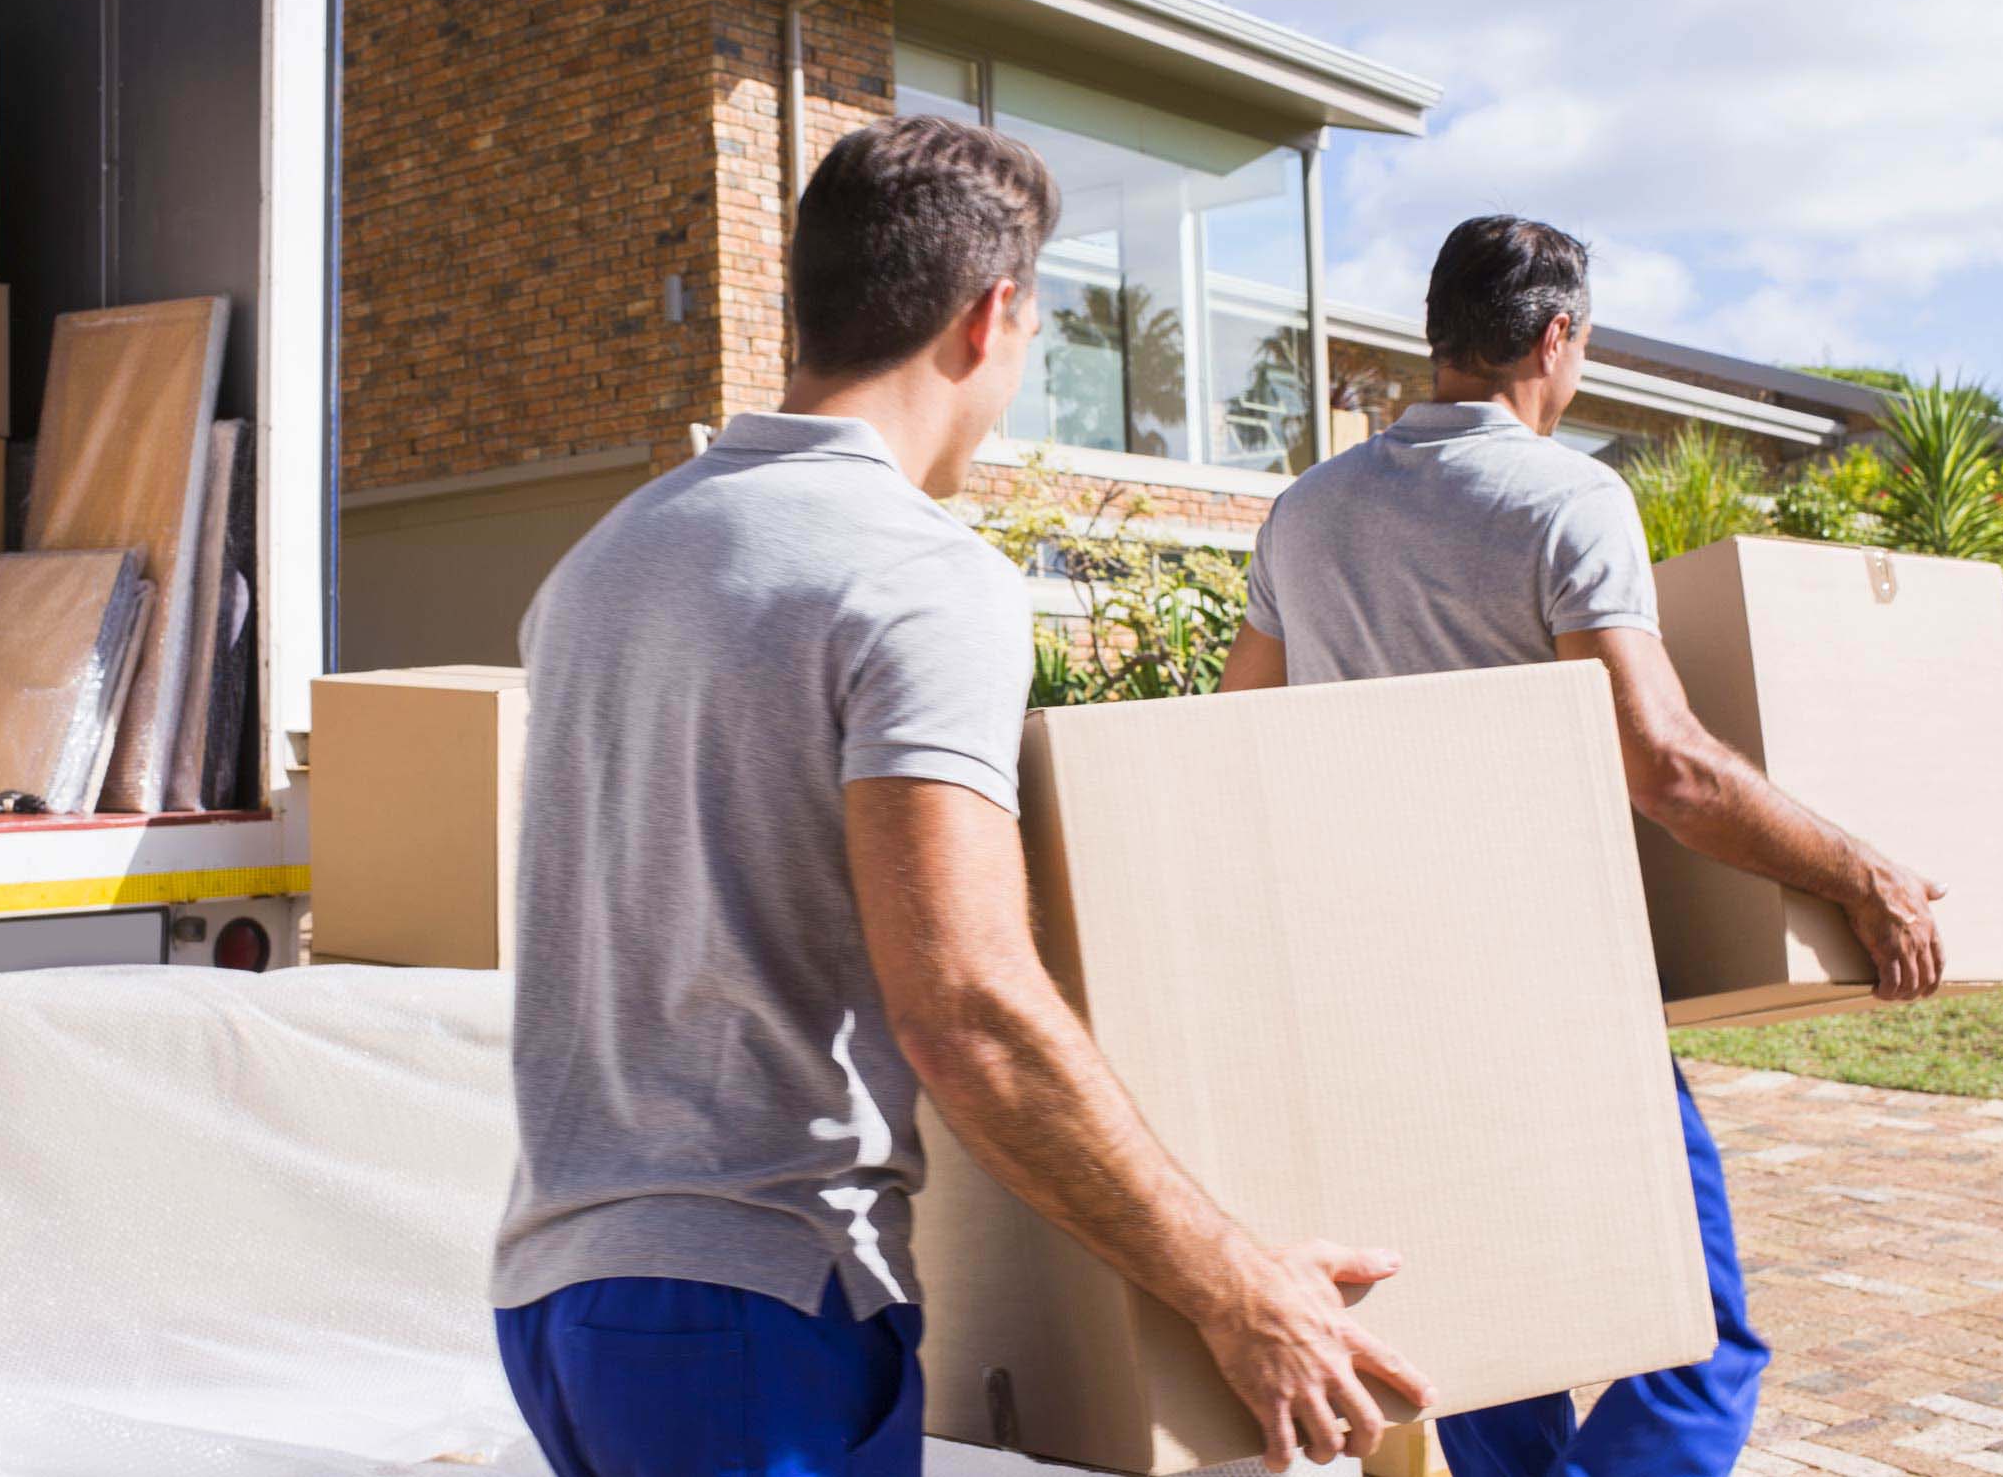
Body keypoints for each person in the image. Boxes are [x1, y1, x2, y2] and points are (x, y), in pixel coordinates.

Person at [491, 116, 1436, 1477]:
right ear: (991, 315)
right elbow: (969, 1005)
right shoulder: (914, 571)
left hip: (561, 1293)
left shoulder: (602, 564)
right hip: (756, 1306)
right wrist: (1236, 1288)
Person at [1215, 214, 1944, 1477]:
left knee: (1496, 1350)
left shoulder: (1306, 516)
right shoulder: (1567, 499)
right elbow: (1665, 763)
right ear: (1559, 338)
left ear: (1438, 338)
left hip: (1377, 998)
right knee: (1699, 1340)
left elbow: (1236, 740)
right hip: (1547, 997)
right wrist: (1861, 875)